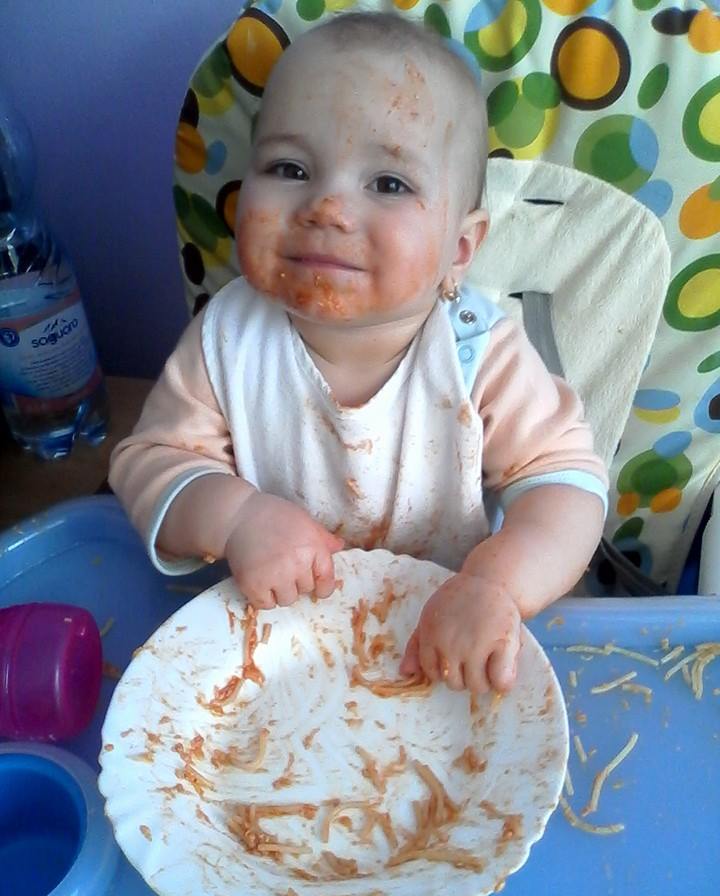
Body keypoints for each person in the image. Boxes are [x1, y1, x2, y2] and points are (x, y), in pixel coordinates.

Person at [110, 11, 608, 697]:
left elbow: (567, 485)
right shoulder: (227, 340)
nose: (327, 207)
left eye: (389, 184)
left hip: (444, 642)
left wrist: (498, 584)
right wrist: (235, 517)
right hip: (276, 645)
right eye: (290, 168)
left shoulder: (478, 354)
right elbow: (150, 462)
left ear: (460, 250)